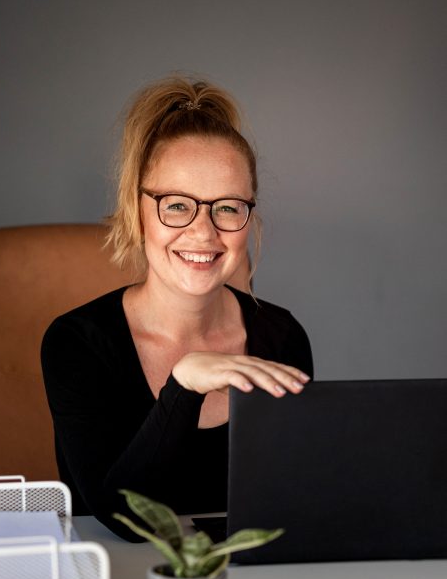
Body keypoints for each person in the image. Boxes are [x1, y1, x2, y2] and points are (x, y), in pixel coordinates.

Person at [41, 76, 313, 539]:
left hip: (251, 573)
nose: (203, 233)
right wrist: (184, 386)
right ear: (137, 210)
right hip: (118, 574)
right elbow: (126, 521)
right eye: (177, 205)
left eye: (227, 207)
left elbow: (290, 500)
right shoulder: (78, 343)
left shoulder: (282, 336)